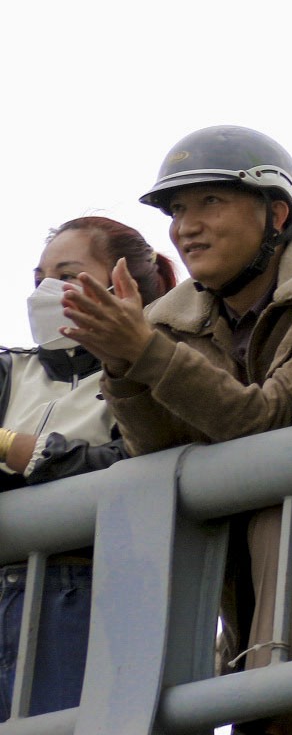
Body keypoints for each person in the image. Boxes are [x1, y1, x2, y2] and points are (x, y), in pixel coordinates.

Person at [63, 126, 292, 735]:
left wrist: (146, 353)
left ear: (277, 214)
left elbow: (267, 420)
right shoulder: (164, 322)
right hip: (235, 565)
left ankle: (266, 712)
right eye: (178, 209)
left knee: (278, 515)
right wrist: (124, 366)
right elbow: (160, 452)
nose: (187, 226)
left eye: (211, 201)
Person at [0, 219, 175, 714]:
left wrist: (15, 449)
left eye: (68, 274)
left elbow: (135, 462)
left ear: (126, 284)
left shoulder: (156, 369)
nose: (47, 291)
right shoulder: (10, 369)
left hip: (89, 600)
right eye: (40, 279)